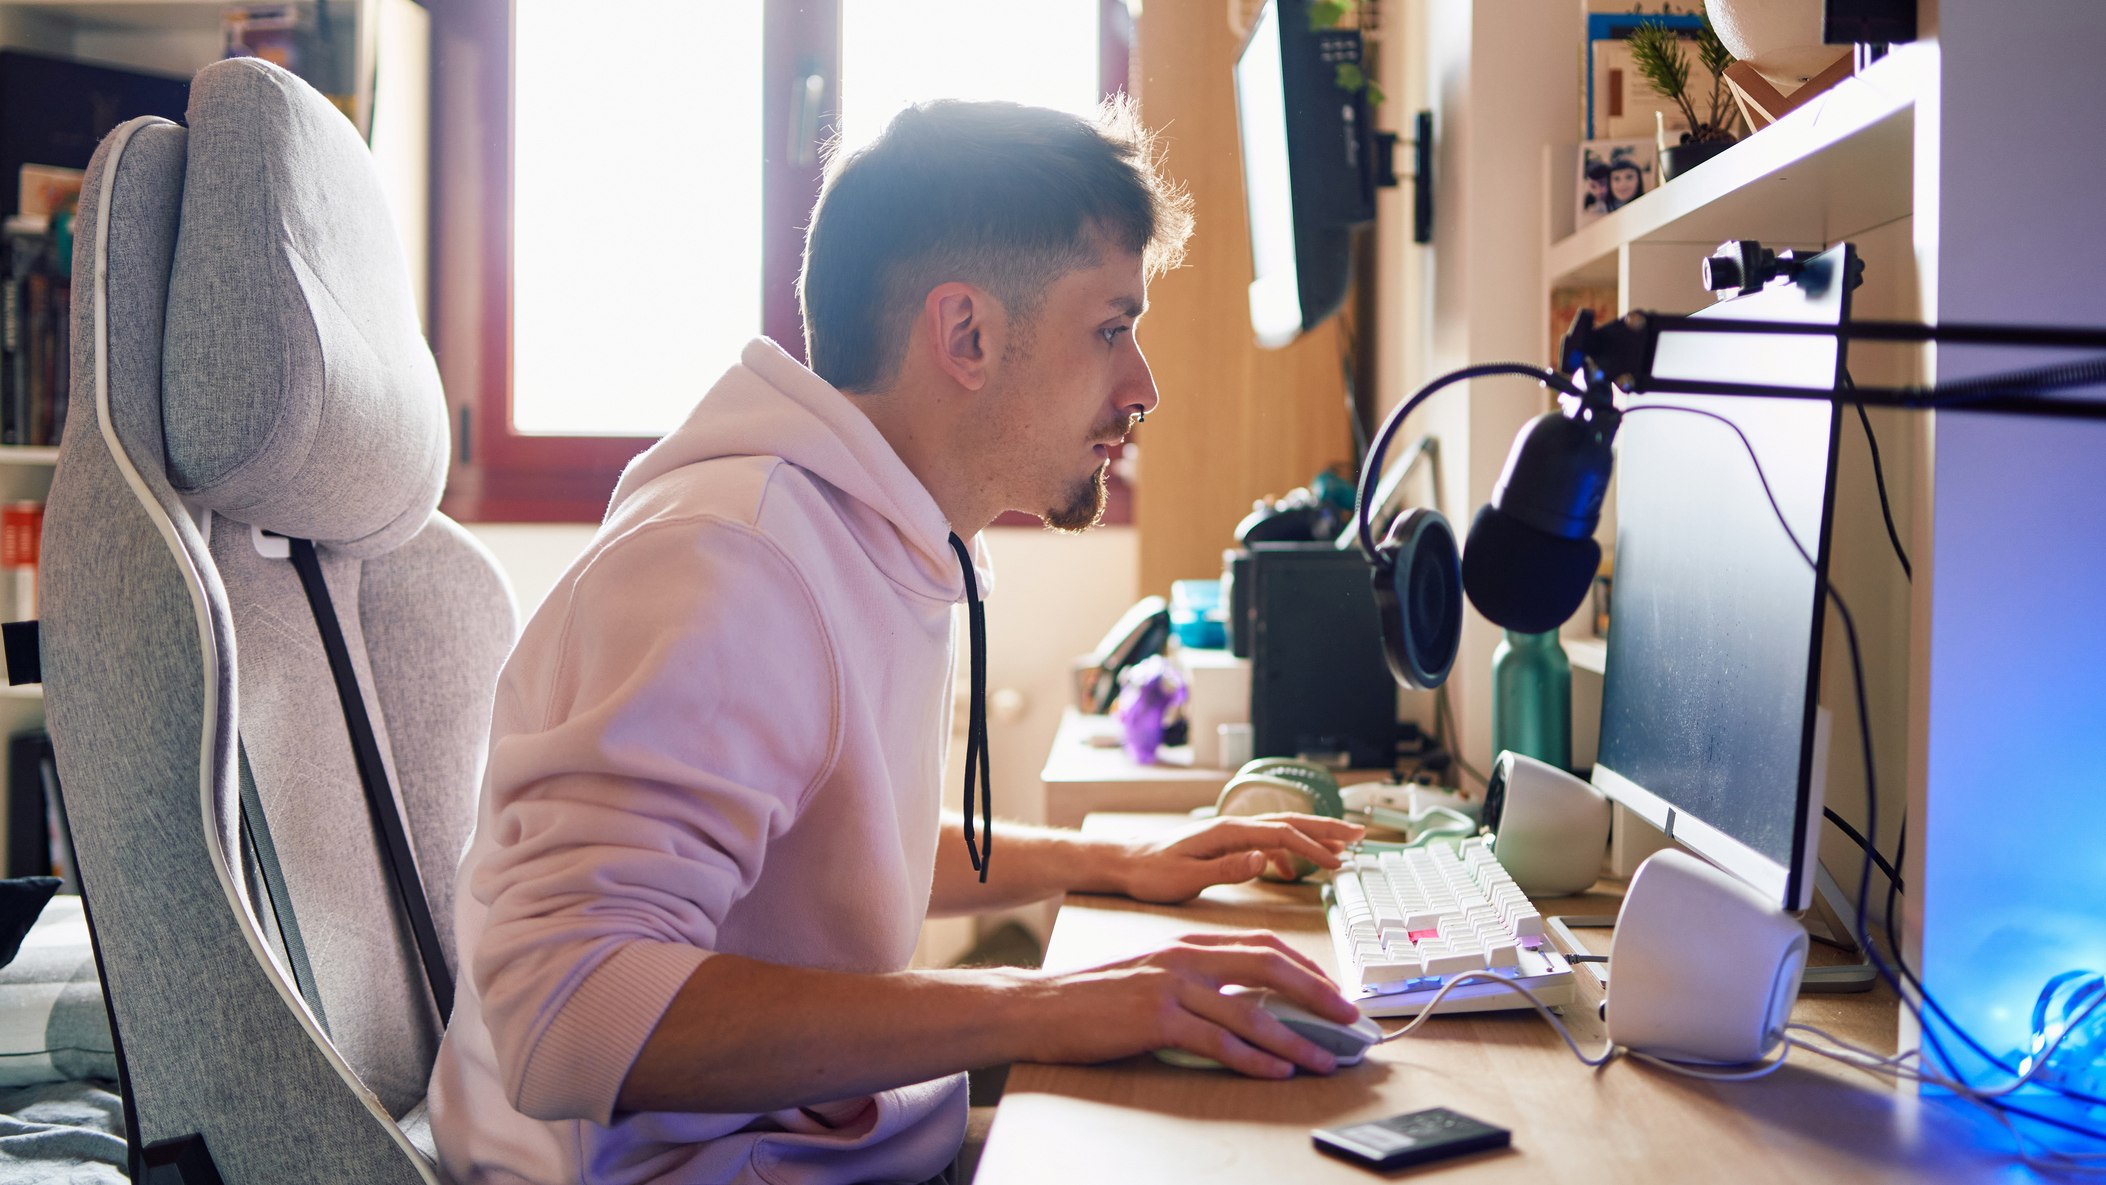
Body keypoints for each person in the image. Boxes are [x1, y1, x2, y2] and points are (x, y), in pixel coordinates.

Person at [428, 97, 1368, 1185]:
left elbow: (823, 856)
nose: (1142, 386)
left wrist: (1111, 861)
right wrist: (1041, 1007)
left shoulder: (873, 538)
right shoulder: (732, 566)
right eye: (1112, 327)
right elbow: (571, 1013)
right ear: (965, 331)